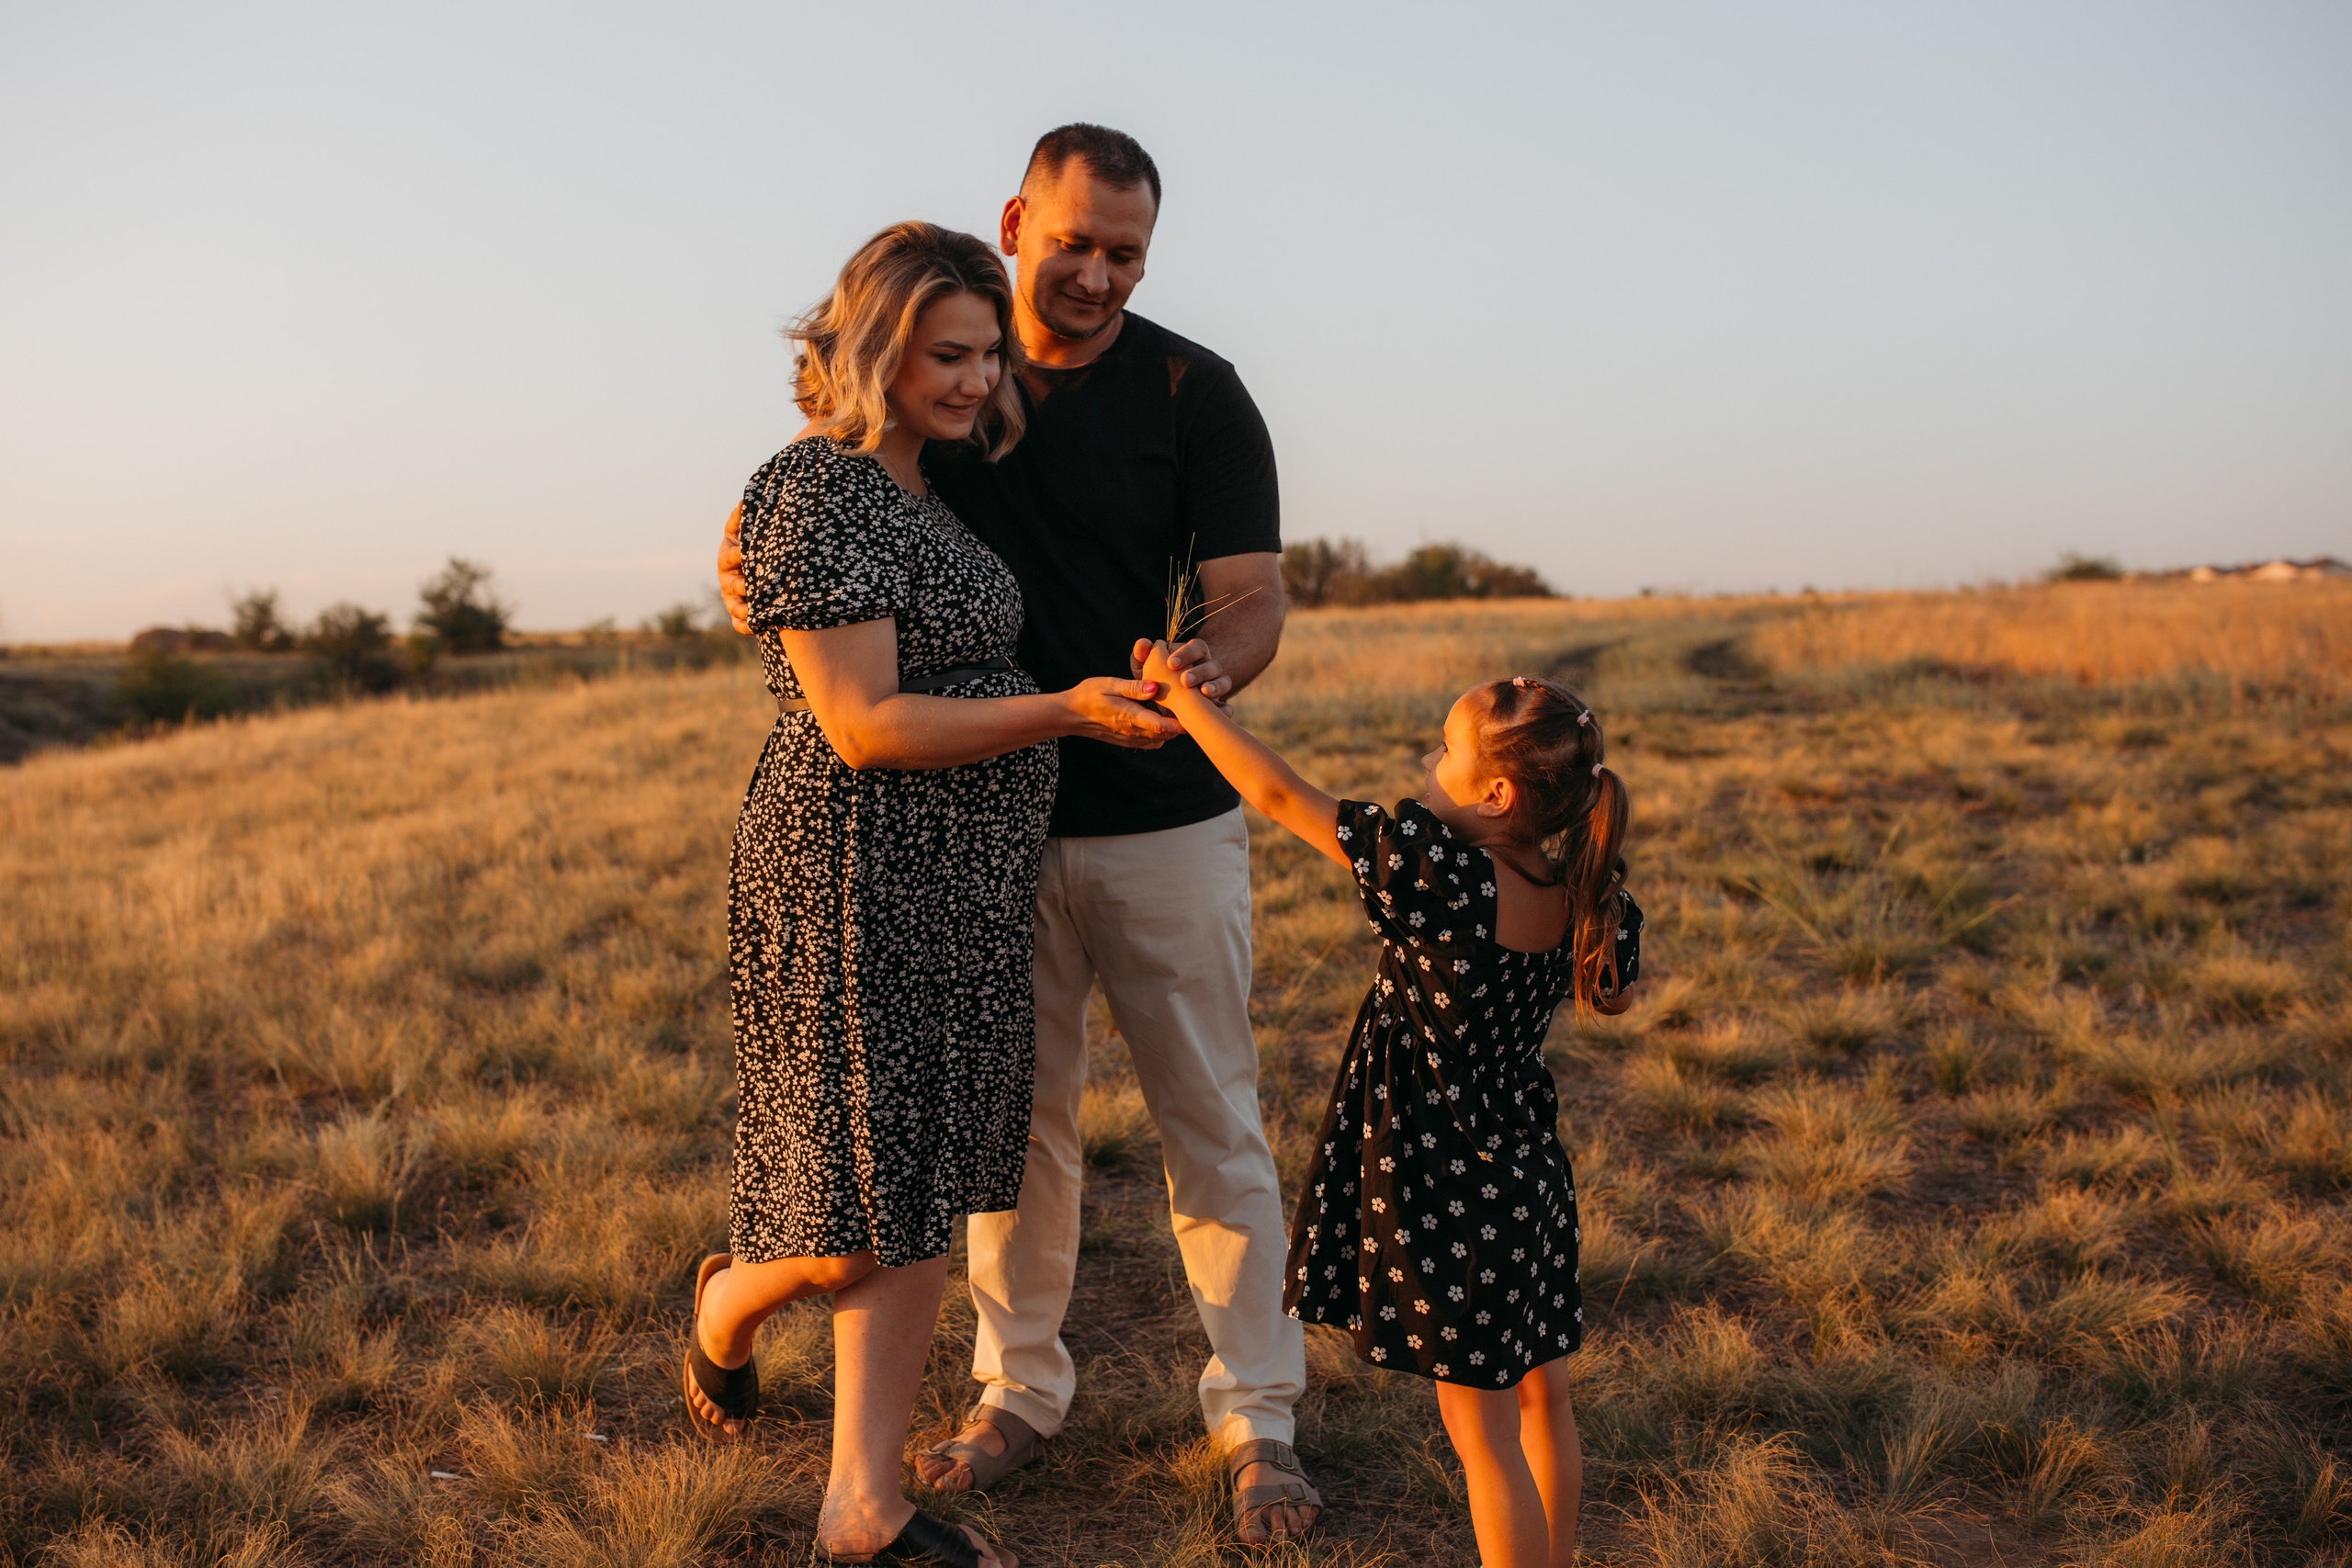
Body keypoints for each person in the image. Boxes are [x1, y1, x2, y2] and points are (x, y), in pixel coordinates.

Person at [719, 126, 1319, 1544]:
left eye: (1128, 253)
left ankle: (1258, 1415)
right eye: (1078, 243)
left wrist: (1210, 669)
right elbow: (815, 498)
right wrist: (739, 550)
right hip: (977, 838)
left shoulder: (1197, 390)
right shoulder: (940, 382)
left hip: (1163, 815)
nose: (1101, 274)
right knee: (1011, 1134)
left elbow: (1252, 594)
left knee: (1212, 1118)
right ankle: (1016, 1392)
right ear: (1018, 219)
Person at [688, 220, 1181, 1568]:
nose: (975, 380)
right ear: (875, 345)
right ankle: (730, 1299)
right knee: (859, 1202)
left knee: (918, 1186)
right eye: (945, 354)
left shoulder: (935, 492)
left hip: (964, 880)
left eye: (983, 356)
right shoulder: (819, 488)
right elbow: (864, 723)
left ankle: (862, 1504)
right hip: (854, 870)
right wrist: (1068, 712)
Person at [1132, 650, 1645, 1568]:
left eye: (1442, 752)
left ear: (1492, 795)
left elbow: (1282, 796)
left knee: (1481, 1433)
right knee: (1544, 1400)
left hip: (1447, 1182)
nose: (1425, 765)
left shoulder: (1443, 879)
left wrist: (1182, 701)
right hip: (1526, 1171)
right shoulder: (1575, 891)